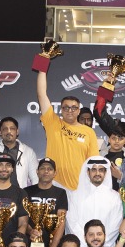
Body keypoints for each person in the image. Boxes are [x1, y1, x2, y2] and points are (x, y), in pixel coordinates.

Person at [35, 63, 101, 191]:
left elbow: (93, 162)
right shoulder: (53, 123)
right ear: (61, 110)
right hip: (54, 185)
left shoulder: (88, 132)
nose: (70, 110)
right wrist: (43, 62)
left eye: (73, 108)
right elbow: (41, 94)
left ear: (78, 111)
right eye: (66, 107)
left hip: (80, 187)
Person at [66, 157, 122, 247]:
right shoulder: (74, 195)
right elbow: (72, 222)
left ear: (105, 172)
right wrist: (85, 244)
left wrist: (101, 243)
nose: (97, 173)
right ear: (88, 172)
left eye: (101, 170)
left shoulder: (115, 197)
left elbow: (115, 224)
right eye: (93, 170)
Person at [23, 157, 69, 247]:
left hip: (52, 245)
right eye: (43, 168)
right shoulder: (26, 192)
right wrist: (30, 231)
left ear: (54, 173)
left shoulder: (60, 193)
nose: (46, 171)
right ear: (37, 172)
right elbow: (22, 218)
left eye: (50, 169)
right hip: (30, 244)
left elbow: (61, 222)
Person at [102, 124, 125, 189]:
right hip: (103, 194)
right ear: (109, 139)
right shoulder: (100, 156)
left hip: (121, 195)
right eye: (113, 138)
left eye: (120, 138)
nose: (117, 141)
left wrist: (120, 176)